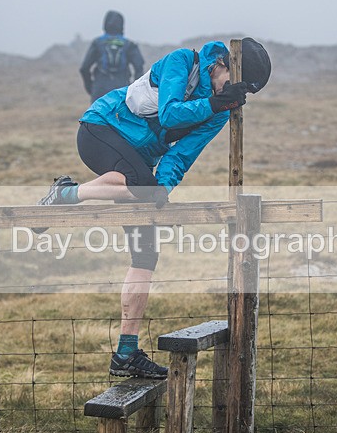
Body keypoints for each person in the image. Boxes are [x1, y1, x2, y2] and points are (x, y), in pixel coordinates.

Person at [38, 38, 271, 379]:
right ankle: (66, 195)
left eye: (241, 92)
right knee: (139, 184)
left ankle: (126, 353)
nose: (233, 92)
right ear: (222, 65)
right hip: (100, 129)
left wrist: (163, 188)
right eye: (232, 84)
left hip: (139, 164)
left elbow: (183, 153)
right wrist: (213, 102)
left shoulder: (220, 109)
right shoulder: (182, 62)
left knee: (146, 254)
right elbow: (169, 112)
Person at [79, 11, 145, 103]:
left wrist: (91, 87)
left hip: (100, 90)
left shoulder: (97, 43)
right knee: (121, 117)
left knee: (98, 117)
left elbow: (84, 68)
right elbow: (139, 68)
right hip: (122, 90)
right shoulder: (129, 44)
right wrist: (133, 91)